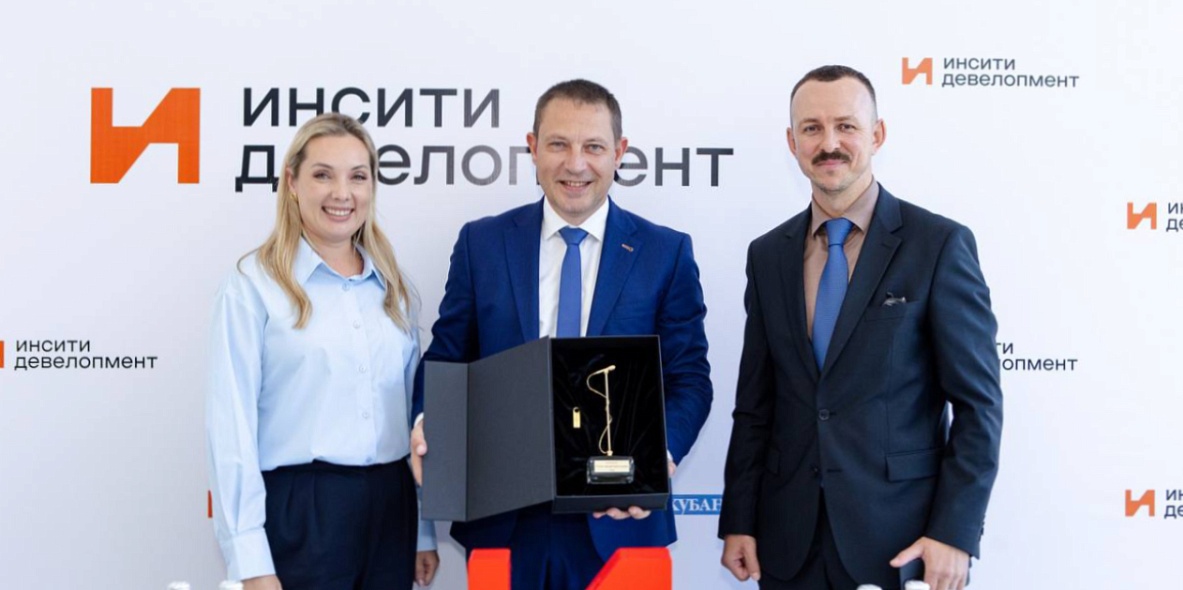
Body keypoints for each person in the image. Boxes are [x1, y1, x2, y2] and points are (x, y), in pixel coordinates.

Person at [410, 79, 713, 590]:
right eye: (558, 144)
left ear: (619, 152)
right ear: (532, 147)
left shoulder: (665, 253)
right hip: (503, 520)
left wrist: (658, 458)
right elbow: (447, 357)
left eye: (593, 146)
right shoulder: (482, 244)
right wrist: (427, 421)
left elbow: (689, 380)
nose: (576, 164)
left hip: (621, 521)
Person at [719, 66, 1002, 590]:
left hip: (901, 543)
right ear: (792, 142)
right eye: (812, 128)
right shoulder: (768, 255)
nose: (829, 143)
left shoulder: (937, 245)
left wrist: (954, 532)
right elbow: (755, 405)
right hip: (787, 544)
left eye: (846, 126)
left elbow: (978, 406)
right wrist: (739, 519)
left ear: (877, 135)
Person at [206, 113, 439, 590]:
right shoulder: (252, 287)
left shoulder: (394, 289)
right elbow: (231, 428)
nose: (342, 193)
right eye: (322, 175)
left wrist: (422, 528)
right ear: (292, 183)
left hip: (391, 508)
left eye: (358, 176)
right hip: (302, 513)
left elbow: (411, 418)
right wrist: (251, 561)